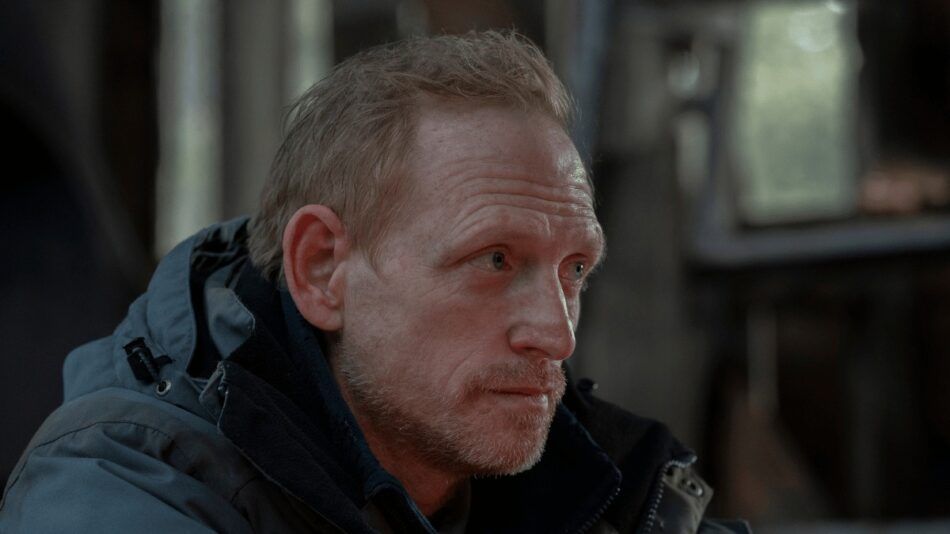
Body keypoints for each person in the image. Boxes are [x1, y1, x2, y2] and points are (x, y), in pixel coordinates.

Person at [0, 31, 748, 533]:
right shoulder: (122, 487)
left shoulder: (597, 481)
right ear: (321, 269)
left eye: (574, 269)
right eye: (494, 261)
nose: (555, 333)